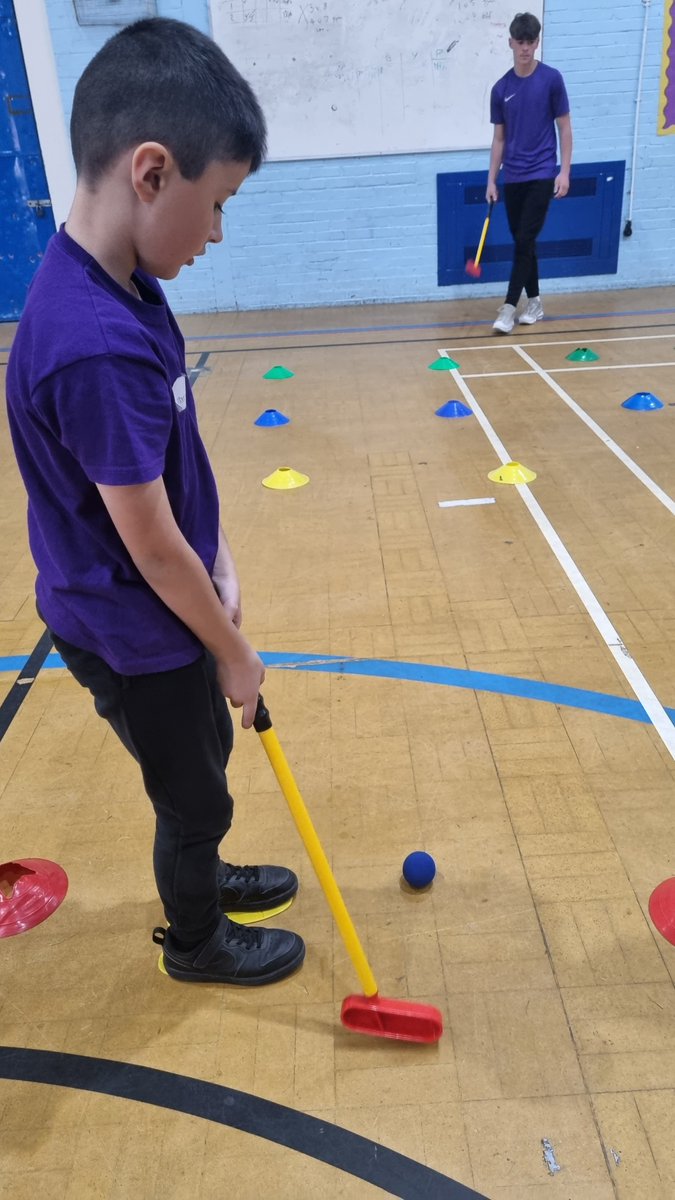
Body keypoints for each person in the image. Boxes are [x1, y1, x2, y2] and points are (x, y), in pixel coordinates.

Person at [5, 18, 305, 987]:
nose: (216, 234)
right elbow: (147, 544)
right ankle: (197, 940)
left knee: (204, 759)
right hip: (135, 629)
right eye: (215, 205)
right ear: (150, 173)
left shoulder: (126, 284)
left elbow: (173, 451)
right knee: (192, 798)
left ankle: (204, 877)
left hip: (168, 612)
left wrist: (219, 567)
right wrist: (233, 647)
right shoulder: (90, 342)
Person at [487, 11, 572, 334]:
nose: (525, 48)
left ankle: (509, 308)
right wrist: (492, 179)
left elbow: (564, 128)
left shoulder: (551, 79)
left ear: (537, 43)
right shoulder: (501, 89)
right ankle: (534, 302)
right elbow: (499, 138)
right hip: (514, 176)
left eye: (530, 42)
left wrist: (564, 171)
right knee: (525, 242)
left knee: (523, 239)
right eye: (520, 42)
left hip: (541, 173)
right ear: (510, 42)